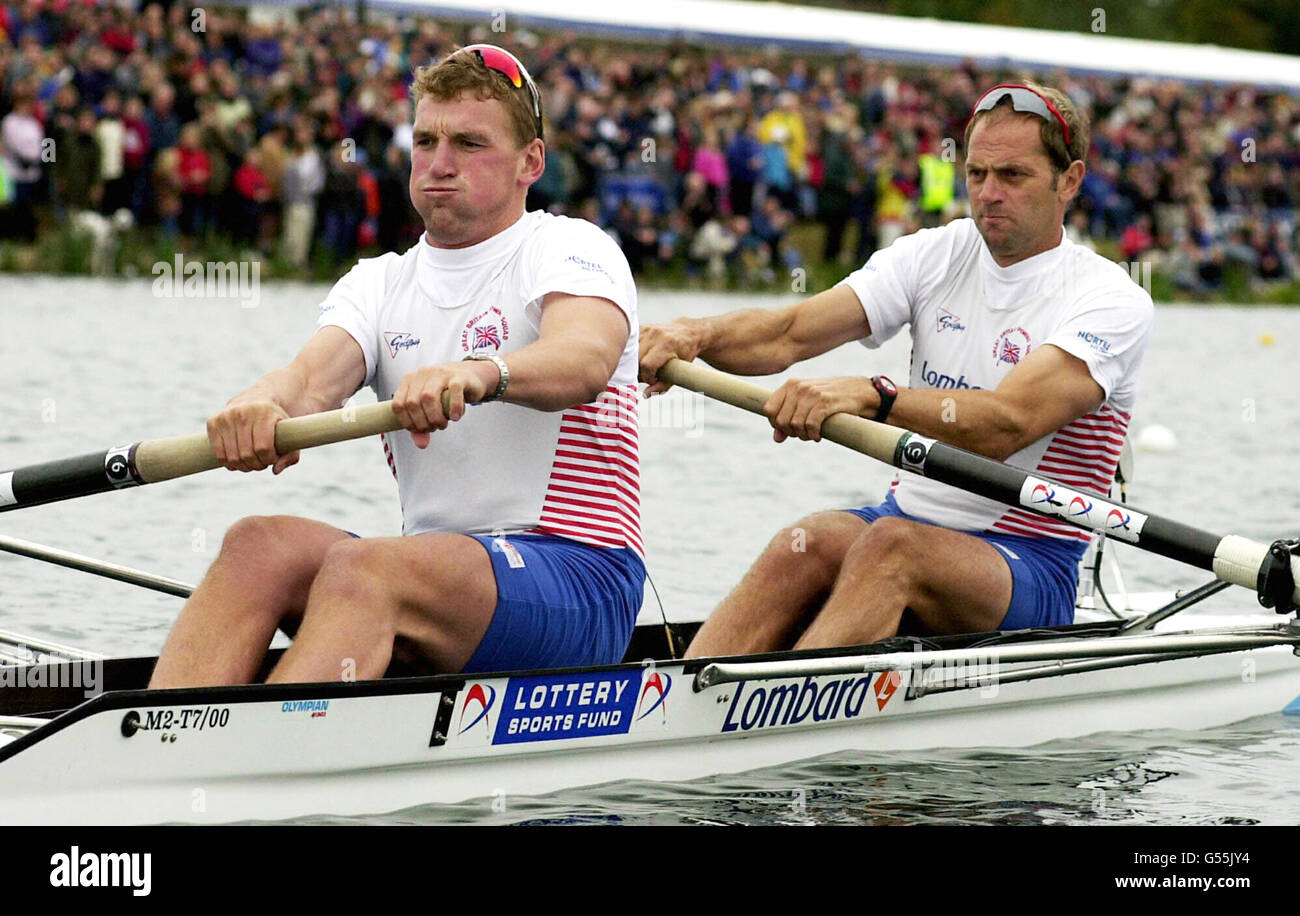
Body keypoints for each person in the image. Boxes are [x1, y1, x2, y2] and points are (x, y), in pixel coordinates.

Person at [149, 44, 644, 688]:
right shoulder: (380, 281)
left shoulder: (569, 247)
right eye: (426, 141)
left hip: (579, 576)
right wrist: (259, 404)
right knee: (257, 544)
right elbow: (306, 383)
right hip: (439, 580)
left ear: (531, 162)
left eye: (469, 144)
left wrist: (477, 373)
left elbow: (585, 357)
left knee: (364, 569)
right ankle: (167, 741)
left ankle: (271, 753)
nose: (439, 164)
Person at [640, 82, 1153, 657]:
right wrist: (697, 334)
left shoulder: (1110, 299)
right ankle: (684, 702)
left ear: (1070, 181)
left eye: (1012, 176)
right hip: (900, 522)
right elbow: (787, 335)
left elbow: (1007, 424)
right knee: (802, 543)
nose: (989, 194)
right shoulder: (933, 254)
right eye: (977, 174)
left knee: (893, 549)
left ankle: (780, 717)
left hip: (1026, 560)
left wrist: (874, 396)